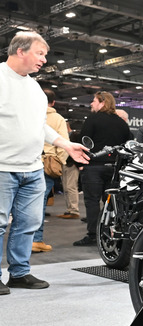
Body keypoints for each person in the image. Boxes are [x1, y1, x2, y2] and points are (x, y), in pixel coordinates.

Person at [0, 31, 91, 295]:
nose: (44, 59)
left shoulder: (35, 89)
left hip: (33, 169)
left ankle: (19, 273)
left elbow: (40, 126)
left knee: (27, 224)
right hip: (3, 167)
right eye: (40, 53)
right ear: (21, 51)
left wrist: (65, 144)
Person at [74, 91, 133, 246]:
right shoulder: (121, 123)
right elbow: (128, 144)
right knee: (112, 202)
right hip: (115, 168)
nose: (92, 104)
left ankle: (93, 235)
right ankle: (109, 232)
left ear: (102, 102)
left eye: (94, 101)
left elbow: (84, 142)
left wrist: (81, 163)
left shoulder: (92, 119)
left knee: (92, 201)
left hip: (94, 166)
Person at [33, 89, 70, 253]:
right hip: (47, 164)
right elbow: (63, 144)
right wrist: (59, 162)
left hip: (26, 160)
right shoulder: (58, 119)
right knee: (38, 204)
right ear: (53, 102)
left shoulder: (30, 114)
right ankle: (36, 240)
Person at [57, 125, 81, 220]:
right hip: (65, 163)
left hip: (72, 164)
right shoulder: (62, 138)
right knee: (66, 187)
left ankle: (74, 210)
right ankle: (70, 209)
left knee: (71, 187)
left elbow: (79, 149)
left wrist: (77, 163)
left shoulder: (75, 135)